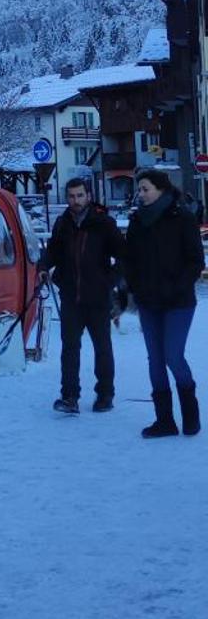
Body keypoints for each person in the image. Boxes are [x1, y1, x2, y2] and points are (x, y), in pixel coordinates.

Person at [123, 168, 202, 438]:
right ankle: (165, 420)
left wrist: (177, 287)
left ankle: (191, 414)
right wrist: (131, 288)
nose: (141, 194)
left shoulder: (183, 218)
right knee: (155, 360)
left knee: (172, 355)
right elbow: (129, 260)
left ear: (161, 189)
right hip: (148, 300)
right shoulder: (137, 222)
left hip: (179, 302)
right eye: (139, 189)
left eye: (145, 189)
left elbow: (195, 261)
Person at [44, 177, 125, 414]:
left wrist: (109, 280)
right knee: (70, 347)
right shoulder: (62, 223)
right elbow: (52, 253)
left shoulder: (103, 223)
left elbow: (123, 256)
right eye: (71, 196)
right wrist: (42, 268)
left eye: (80, 195)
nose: (75, 200)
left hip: (98, 297)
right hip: (70, 296)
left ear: (88, 195)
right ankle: (70, 397)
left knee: (102, 347)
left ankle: (105, 394)